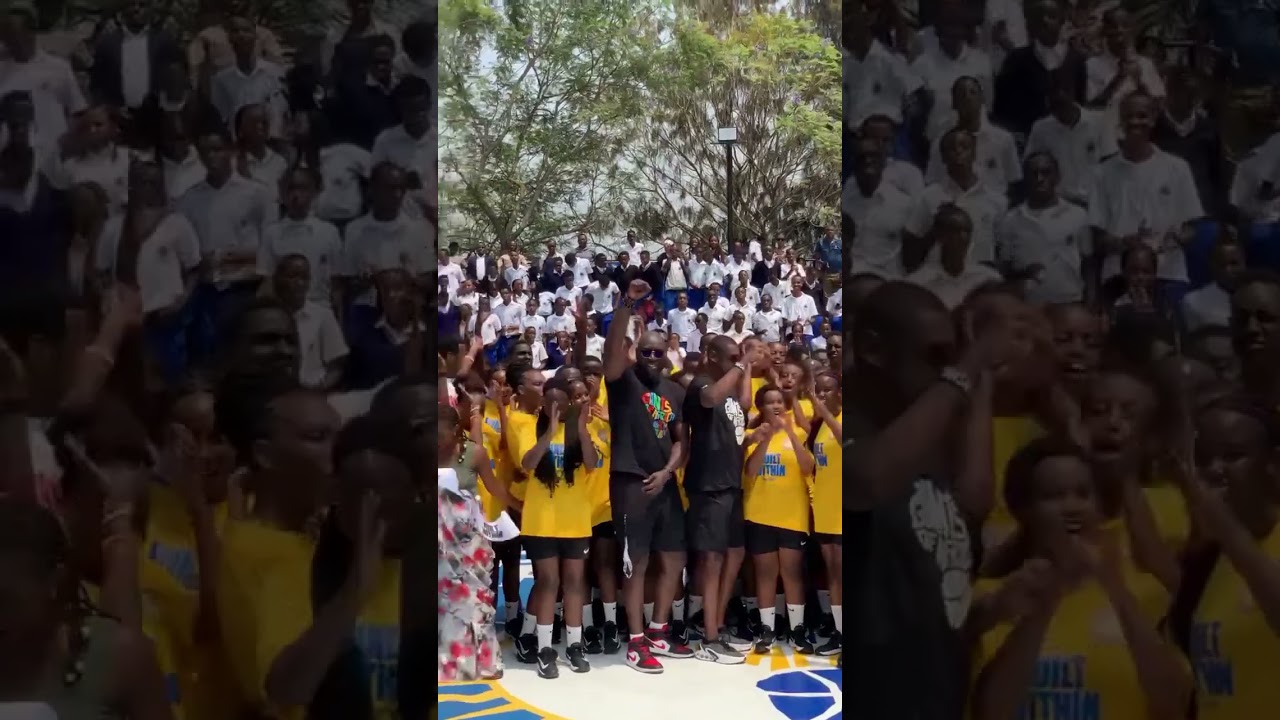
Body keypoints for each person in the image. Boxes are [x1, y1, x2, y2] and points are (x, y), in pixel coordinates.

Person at [602, 279, 692, 673]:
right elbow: (609, 353)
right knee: (634, 565)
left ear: (668, 354)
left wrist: (668, 472)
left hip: (664, 484)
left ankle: (658, 629)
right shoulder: (623, 381)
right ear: (637, 352)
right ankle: (636, 642)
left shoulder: (674, 391)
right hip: (630, 483)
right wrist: (626, 303)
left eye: (658, 351)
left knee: (673, 559)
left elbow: (680, 441)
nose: (652, 357)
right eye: (646, 351)